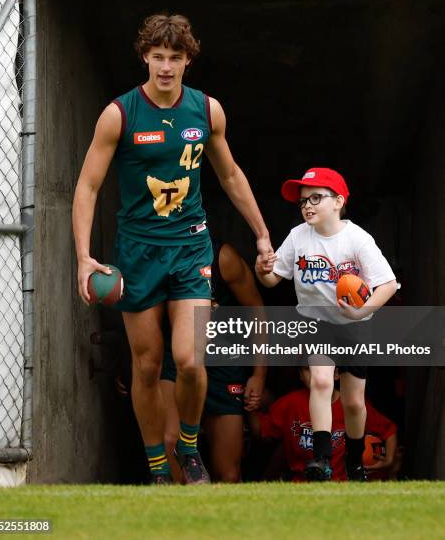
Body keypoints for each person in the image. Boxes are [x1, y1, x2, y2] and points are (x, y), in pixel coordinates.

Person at [73, 14, 272, 484]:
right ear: (145, 57)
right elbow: (87, 186)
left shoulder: (207, 111)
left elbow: (229, 175)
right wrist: (83, 257)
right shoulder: (119, 114)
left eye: (175, 57)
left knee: (190, 359)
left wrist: (262, 233)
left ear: (188, 60)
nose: (166, 66)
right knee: (146, 365)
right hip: (138, 252)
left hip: (190, 247)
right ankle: (158, 465)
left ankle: (186, 443)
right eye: (158, 57)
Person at [255, 167, 397, 481]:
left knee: (353, 402)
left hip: (354, 323)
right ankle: (320, 459)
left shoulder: (358, 238)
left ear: (338, 201)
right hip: (315, 320)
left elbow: (388, 284)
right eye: (303, 201)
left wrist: (361, 313)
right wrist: (261, 268)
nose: (307, 205)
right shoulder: (297, 236)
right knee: (320, 381)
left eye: (316, 198)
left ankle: (354, 461)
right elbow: (271, 279)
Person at [160, 239, 266, 483]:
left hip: (223, 364)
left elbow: (256, 308)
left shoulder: (222, 258)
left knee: (227, 473)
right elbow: (143, 317)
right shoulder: (156, 251)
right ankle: (178, 516)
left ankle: (226, 520)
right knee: (169, 441)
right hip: (177, 359)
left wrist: (259, 374)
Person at [249, 367, 398, 481]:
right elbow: (260, 430)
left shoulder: (351, 403)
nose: (316, 374)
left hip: (342, 486)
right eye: (308, 369)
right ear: (300, 375)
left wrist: (389, 460)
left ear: (336, 374)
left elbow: (388, 430)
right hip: (302, 486)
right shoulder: (291, 403)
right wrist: (250, 405)